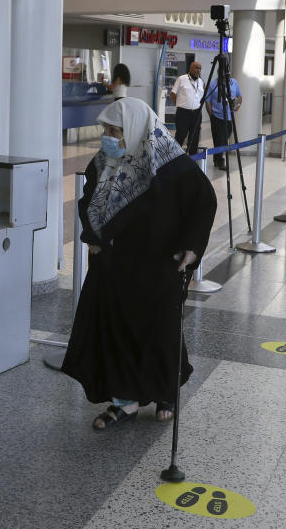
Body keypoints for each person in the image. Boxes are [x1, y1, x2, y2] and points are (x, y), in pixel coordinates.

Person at [61, 97, 217, 430]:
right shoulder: (104, 161)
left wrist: (191, 248)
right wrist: (95, 236)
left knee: (157, 330)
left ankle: (165, 393)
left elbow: (203, 202)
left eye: (115, 130)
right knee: (116, 329)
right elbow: (89, 200)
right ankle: (123, 401)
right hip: (115, 264)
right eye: (106, 129)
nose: (109, 136)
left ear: (134, 128)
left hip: (158, 264)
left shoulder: (170, 162)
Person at [168, 61, 207, 155]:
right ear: (191, 68)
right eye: (196, 68)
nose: (198, 70)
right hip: (183, 113)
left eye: (200, 68)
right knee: (181, 135)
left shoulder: (201, 81)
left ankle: (193, 157)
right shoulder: (182, 79)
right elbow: (172, 94)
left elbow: (202, 97)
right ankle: (175, 156)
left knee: (195, 137)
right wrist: (179, 104)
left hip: (196, 113)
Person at [204, 74, 242, 171]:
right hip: (217, 117)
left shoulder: (234, 83)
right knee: (219, 139)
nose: (226, 77)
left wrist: (238, 104)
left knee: (225, 138)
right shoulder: (213, 84)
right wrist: (211, 115)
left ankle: (216, 158)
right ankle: (220, 160)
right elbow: (207, 101)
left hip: (229, 117)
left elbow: (239, 96)